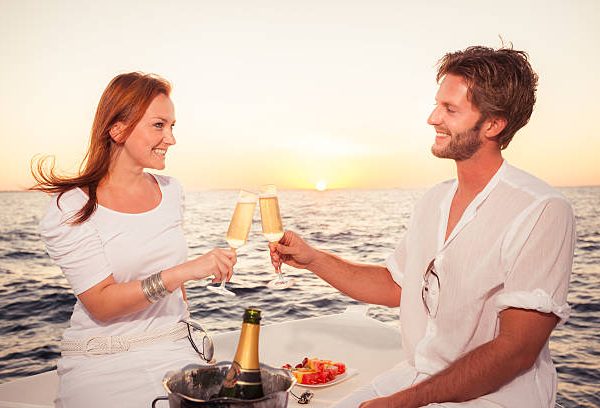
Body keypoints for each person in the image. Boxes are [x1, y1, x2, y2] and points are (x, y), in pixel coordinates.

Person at [270, 46, 575, 408]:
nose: (433, 118)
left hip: (495, 398)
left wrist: (403, 402)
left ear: (493, 124)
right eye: (436, 104)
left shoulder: (541, 210)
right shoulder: (434, 200)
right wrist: (313, 259)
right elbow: (397, 286)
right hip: (418, 377)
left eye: (450, 109)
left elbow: (516, 351)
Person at [31, 72, 237, 407]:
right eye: (159, 125)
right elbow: (102, 304)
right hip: (104, 361)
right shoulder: (70, 206)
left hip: (176, 350)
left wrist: (190, 342)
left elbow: (176, 287)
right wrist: (185, 271)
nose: (171, 139)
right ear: (117, 130)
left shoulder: (171, 191)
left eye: (172, 126)